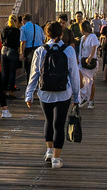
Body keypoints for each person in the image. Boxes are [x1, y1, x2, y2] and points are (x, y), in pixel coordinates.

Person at [23, 19, 80, 168]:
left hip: (44, 92)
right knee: (59, 124)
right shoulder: (68, 50)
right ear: (61, 34)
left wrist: (29, 94)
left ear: (46, 34)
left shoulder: (40, 50)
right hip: (64, 93)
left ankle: (49, 151)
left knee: (48, 121)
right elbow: (74, 75)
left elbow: (34, 74)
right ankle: (56, 159)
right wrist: (77, 96)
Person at [76, 20, 101, 109]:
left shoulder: (92, 36)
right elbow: (81, 49)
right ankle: (83, 95)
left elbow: (94, 47)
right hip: (82, 61)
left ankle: (91, 100)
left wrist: (90, 58)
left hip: (91, 62)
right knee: (79, 77)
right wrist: (79, 59)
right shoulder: (83, 38)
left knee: (91, 81)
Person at [0, 14, 22, 98]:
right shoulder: (17, 31)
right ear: (15, 21)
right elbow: (18, 43)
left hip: (4, 50)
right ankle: (11, 92)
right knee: (12, 72)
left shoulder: (4, 30)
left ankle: (4, 91)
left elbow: (2, 40)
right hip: (13, 51)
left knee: (5, 72)